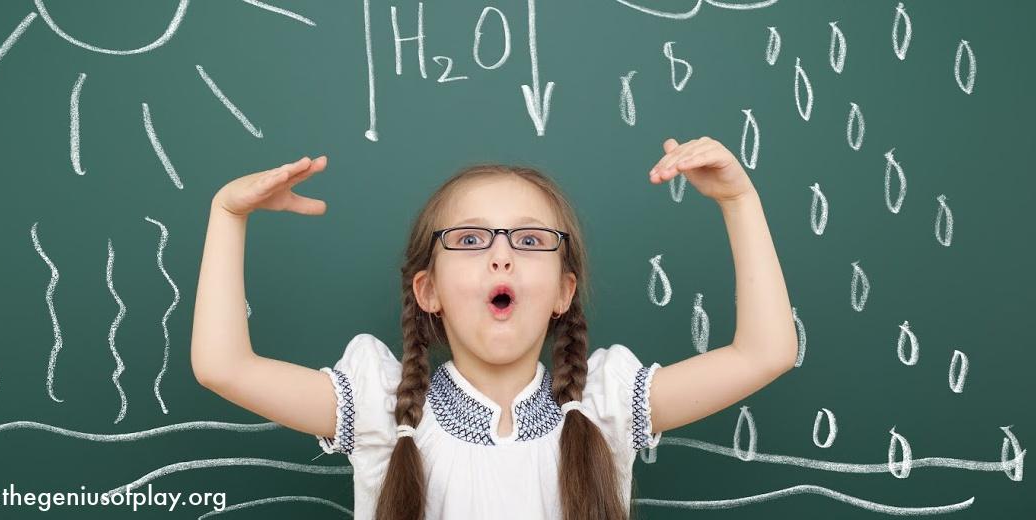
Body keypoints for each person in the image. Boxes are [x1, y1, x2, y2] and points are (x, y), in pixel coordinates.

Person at [190, 136, 799, 520]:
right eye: (470, 240)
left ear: (563, 292)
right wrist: (227, 214)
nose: (501, 256)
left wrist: (738, 200)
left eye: (530, 241)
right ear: (428, 291)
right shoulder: (380, 409)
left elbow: (766, 352)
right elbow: (223, 367)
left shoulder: (606, 406)